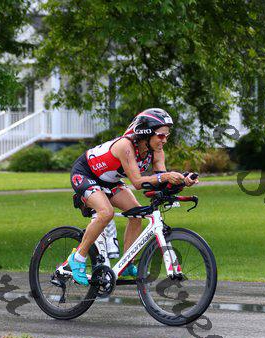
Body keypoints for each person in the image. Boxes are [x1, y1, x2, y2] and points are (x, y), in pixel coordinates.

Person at [69, 108, 198, 285]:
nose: (165, 140)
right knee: (106, 213)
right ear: (146, 133)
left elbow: (160, 181)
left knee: (137, 214)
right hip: (85, 174)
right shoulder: (125, 146)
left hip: (109, 181)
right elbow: (137, 182)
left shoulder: (156, 150)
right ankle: (77, 258)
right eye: (161, 135)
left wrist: (183, 180)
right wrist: (167, 176)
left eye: (167, 135)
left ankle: (127, 263)